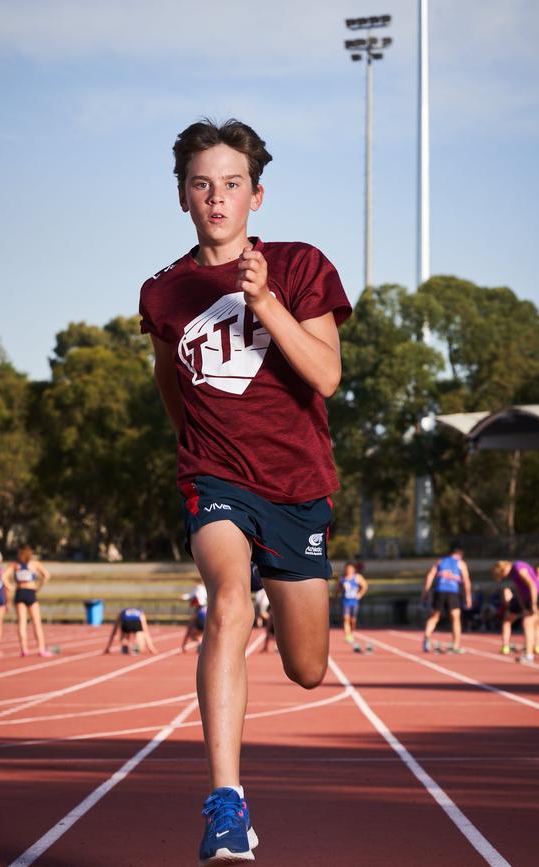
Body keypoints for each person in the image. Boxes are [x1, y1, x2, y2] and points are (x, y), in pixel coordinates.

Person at [139, 117, 351, 864]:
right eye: (202, 185)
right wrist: (195, 448)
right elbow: (170, 382)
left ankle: (275, 584)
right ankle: (226, 803)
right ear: (183, 198)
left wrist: (264, 304)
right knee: (228, 600)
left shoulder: (298, 266)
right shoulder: (163, 292)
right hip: (215, 477)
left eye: (232, 184)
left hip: (297, 488)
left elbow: (325, 376)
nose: (216, 197)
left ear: (256, 196)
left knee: (307, 668)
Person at [422, 542, 472, 654]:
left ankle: (427, 637)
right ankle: (455, 645)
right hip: (453, 592)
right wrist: (468, 596)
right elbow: (466, 581)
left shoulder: (440, 561)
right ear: (459, 554)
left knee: (434, 617)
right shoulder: (460, 563)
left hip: (439, 591)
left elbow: (430, 576)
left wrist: (425, 592)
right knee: (455, 618)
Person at [2, 544, 51, 658]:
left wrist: (10, 586)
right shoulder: (34, 564)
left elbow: (3, 576)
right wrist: (39, 586)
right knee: (36, 623)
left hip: (20, 593)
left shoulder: (15, 565)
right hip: (30, 592)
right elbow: (47, 575)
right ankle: (41, 649)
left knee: (22, 624)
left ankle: (24, 649)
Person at [492, 560, 539, 662]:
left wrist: (534, 603)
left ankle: (529, 653)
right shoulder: (513, 573)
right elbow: (518, 591)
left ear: (503, 568)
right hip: (525, 598)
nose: (503, 577)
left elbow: (532, 584)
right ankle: (507, 646)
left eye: (501, 574)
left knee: (528, 624)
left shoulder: (518, 567)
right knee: (508, 619)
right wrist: (523, 608)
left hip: (535, 596)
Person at [338, 561, 369, 644]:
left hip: (354, 601)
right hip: (345, 601)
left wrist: (360, 594)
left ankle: (351, 633)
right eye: (347, 569)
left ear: (354, 569)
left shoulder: (357, 577)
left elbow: (365, 585)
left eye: (351, 569)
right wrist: (337, 595)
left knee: (353, 620)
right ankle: (347, 635)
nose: (349, 570)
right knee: (346, 619)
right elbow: (338, 588)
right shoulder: (342, 578)